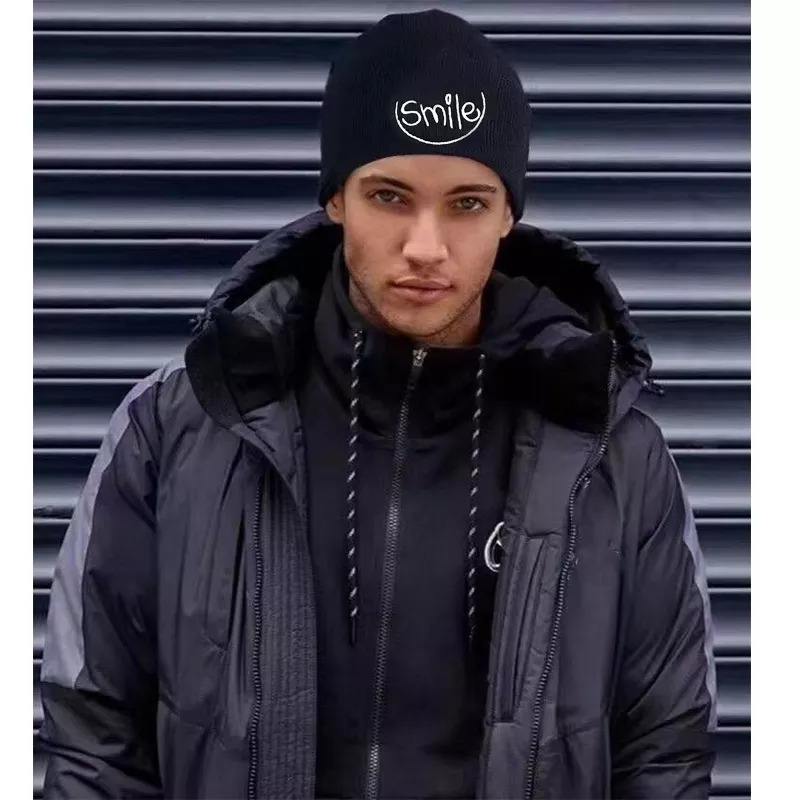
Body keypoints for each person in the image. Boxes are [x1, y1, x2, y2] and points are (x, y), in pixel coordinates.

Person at [38, 9, 717, 799]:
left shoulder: (610, 453)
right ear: (337, 199)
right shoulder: (183, 426)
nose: (426, 247)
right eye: (390, 196)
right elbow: (95, 736)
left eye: (467, 203)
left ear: (508, 214)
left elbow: (664, 754)